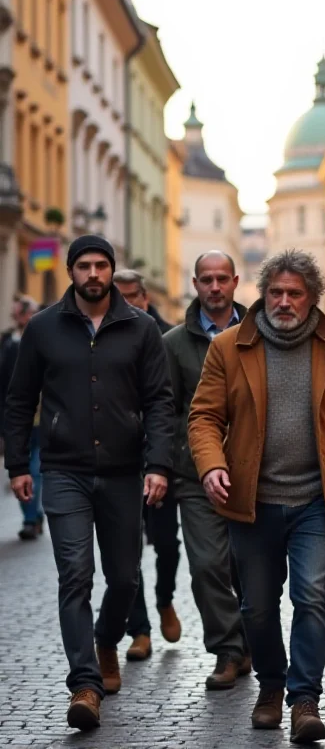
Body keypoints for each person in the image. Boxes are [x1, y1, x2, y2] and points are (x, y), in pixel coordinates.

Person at [188, 249, 325, 744]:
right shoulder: (229, 347)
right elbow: (204, 417)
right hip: (252, 501)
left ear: (313, 297)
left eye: (295, 293)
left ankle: (304, 699)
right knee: (256, 606)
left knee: (312, 596)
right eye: (276, 292)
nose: (285, 301)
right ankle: (270, 686)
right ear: (262, 294)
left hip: (317, 499)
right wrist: (211, 465)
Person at [4, 235, 175, 731]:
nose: (93, 274)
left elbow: (160, 403)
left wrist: (159, 465)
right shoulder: (43, 329)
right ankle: (85, 684)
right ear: (70, 271)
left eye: (101, 265)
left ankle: (106, 640)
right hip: (64, 471)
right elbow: (18, 401)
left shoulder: (141, 329)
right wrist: (18, 464)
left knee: (124, 577)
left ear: (111, 269)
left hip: (124, 473)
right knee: (75, 575)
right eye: (84, 266)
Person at [164, 250, 251, 689]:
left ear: (235, 281)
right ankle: (228, 650)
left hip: (255, 471)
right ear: (195, 284)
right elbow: (168, 410)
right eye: (206, 280)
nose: (214, 287)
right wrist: (163, 464)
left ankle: (250, 638)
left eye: (222, 279)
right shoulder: (175, 343)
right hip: (196, 473)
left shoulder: (262, 334)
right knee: (206, 565)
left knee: (248, 567)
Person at [109, 269, 181, 661]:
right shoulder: (100, 337)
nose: (123, 303)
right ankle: (139, 630)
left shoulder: (167, 335)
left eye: (130, 296)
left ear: (145, 298)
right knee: (126, 549)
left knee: (167, 543)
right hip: (119, 461)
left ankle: (165, 599)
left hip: (160, 458)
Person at [0, 296, 43, 539]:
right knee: (19, 469)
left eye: (20, 313)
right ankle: (33, 515)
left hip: (44, 420)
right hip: (18, 420)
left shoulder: (45, 339)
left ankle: (30, 518)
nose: (17, 317)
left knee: (36, 469)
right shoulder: (10, 343)